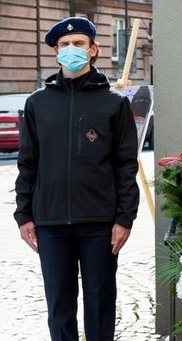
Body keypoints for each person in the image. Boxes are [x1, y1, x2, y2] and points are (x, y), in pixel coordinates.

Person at [14, 17, 140, 341]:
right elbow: (27, 163)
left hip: (100, 224)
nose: (72, 49)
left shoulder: (114, 103)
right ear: (56, 53)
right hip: (51, 223)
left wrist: (124, 218)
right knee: (59, 309)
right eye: (65, 45)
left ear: (93, 49)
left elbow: (126, 165)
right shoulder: (37, 105)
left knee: (100, 305)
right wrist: (24, 215)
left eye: (79, 43)